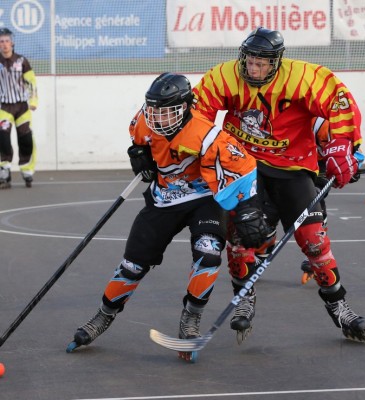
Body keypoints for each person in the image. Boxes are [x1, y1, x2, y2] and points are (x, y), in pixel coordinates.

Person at [66, 73, 268, 361]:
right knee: (133, 265)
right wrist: (138, 153)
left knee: (208, 253)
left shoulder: (206, 134)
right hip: (164, 199)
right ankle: (104, 315)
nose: (158, 118)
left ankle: (191, 319)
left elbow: (243, 166)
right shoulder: (145, 119)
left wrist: (249, 208)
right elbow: (138, 138)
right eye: (154, 110)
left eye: (166, 111)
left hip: (204, 199)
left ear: (184, 107)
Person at [193, 27, 365, 344]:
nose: (253, 69)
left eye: (261, 64)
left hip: (293, 168)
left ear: (276, 62)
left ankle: (337, 304)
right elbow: (197, 115)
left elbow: (339, 102)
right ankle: (244, 297)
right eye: (249, 62)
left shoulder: (302, 77)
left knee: (314, 240)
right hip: (244, 166)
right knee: (241, 236)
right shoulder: (223, 76)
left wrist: (344, 146)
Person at [0, 27, 38, 189]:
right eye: (1, 41)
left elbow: (31, 82)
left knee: (26, 139)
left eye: (7, 41)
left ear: (12, 43)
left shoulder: (22, 61)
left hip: (22, 107)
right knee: (3, 138)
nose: (4, 44)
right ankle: (4, 171)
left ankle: (27, 170)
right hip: (3, 107)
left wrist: (33, 100)